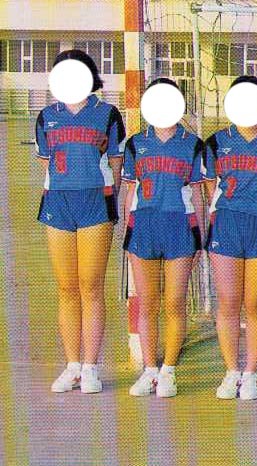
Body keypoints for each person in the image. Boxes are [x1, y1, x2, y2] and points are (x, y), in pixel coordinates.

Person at [38, 50, 125, 394]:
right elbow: (47, 165)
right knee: (66, 287)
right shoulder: (47, 116)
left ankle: (90, 368)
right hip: (58, 204)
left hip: (95, 204)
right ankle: (72, 365)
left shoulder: (107, 114)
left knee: (91, 286)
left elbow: (116, 163)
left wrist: (110, 200)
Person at [122, 78, 205, 398]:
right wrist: (127, 234)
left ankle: (168, 370)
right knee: (148, 303)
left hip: (179, 229)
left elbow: (197, 195)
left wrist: (201, 239)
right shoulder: (135, 144)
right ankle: (149, 370)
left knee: (174, 302)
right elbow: (129, 193)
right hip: (143, 227)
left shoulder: (192, 144)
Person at [204, 76, 257, 400]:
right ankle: (231, 371)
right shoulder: (215, 142)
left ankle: (251, 373)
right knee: (228, 301)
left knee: (255, 302)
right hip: (226, 227)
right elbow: (210, 189)